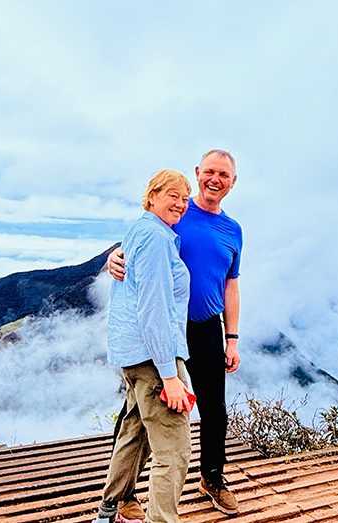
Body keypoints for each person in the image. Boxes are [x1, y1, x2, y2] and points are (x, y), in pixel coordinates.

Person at [109, 150, 243, 516]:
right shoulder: (178, 213)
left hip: (206, 327)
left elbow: (231, 284)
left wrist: (232, 338)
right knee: (139, 413)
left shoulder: (233, 230)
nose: (216, 179)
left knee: (214, 409)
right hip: (167, 327)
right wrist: (113, 257)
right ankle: (125, 496)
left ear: (233, 182)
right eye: (210, 172)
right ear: (199, 173)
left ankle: (212, 479)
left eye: (224, 175)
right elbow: (141, 243)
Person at [95, 170, 195, 523]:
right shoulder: (154, 237)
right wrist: (170, 375)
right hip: (154, 356)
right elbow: (153, 310)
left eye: (185, 198)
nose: (181, 203)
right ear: (152, 195)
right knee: (175, 450)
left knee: (135, 431)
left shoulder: (142, 230)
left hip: (135, 354)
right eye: (173, 195)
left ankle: (108, 511)